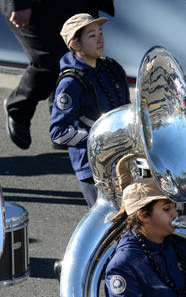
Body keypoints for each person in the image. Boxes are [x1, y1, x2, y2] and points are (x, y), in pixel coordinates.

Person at [0, 0, 115, 150]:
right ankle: (19, 107)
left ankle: (63, 129)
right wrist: (20, 1)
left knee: (73, 60)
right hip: (36, 1)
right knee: (49, 62)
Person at [49, 13, 129, 206]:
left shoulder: (112, 69)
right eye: (92, 36)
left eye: (100, 33)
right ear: (75, 45)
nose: (100, 40)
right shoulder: (70, 83)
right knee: (109, 226)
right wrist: (99, 139)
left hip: (124, 161)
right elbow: (58, 133)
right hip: (94, 169)